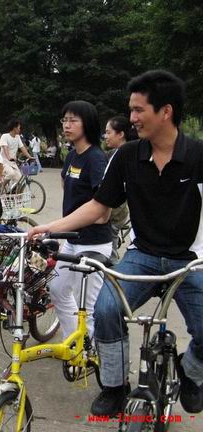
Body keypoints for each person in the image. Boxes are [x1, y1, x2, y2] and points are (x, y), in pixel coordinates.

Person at [29, 70, 203, 417]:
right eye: (131, 110)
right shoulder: (125, 157)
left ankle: (191, 373)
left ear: (165, 111)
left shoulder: (199, 156)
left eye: (139, 110)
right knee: (106, 311)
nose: (132, 118)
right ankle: (113, 387)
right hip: (143, 256)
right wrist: (50, 226)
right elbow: (98, 207)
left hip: (190, 260)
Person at [48, 101, 112, 343]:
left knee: (90, 304)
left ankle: (92, 352)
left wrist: (73, 221)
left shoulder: (96, 159)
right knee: (57, 290)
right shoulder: (72, 155)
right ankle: (74, 341)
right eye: (64, 119)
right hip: (72, 241)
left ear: (88, 123)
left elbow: (103, 212)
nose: (66, 124)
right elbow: (67, 186)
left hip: (94, 245)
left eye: (73, 120)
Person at [104, 115, 137, 262]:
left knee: (110, 251)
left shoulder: (128, 155)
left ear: (121, 134)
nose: (106, 136)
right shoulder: (113, 153)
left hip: (114, 212)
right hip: (109, 210)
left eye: (109, 132)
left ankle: (112, 278)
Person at [0, 118, 32, 182]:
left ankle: (15, 192)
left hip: (13, 162)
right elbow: (5, 148)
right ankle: (1, 186)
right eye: (19, 128)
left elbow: (22, 148)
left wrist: (30, 157)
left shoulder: (17, 137)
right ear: (14, 128)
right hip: (4, 162)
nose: (20, 129)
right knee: (11, 173)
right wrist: (9, 158)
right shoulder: (5, 136)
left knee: (20, 180)